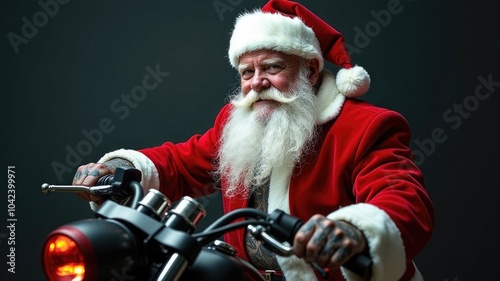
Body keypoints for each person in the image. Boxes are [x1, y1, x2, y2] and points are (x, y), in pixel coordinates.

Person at [72, 1, 434, 280]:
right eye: (248, 72)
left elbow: (404, 197)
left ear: (309, 69)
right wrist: (116, 170)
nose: (257, 82)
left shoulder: (367, 126)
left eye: (272, 67)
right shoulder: (239, 121)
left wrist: (350, 230)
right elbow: (184, 163)